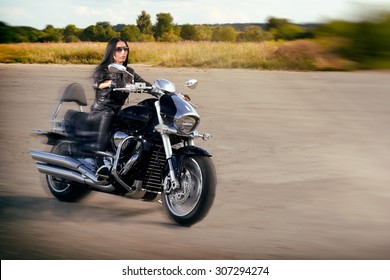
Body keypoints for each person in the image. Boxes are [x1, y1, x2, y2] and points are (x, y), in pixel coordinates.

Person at [91, 37, 151, 157]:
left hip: (117, 112)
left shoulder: (129, 72)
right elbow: (97, 84)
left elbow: (145, 84)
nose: (123, 52)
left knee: (140, 117)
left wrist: (167, 92)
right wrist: (110, 83)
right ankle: (98, 158)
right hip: (101, 112)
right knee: (108, 114)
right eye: (119, 49)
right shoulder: (103, 69)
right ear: (111, 51)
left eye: (125, 49)